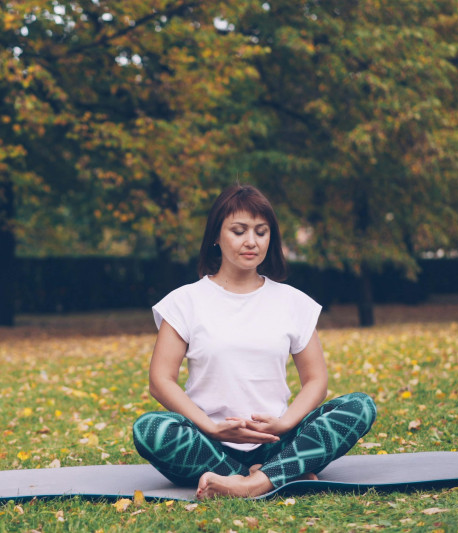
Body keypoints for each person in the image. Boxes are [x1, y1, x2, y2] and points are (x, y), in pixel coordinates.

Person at [133, 184, 377, 499]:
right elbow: (160, 380)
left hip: (278, 442)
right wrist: (211, 427)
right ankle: (282, 473)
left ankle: (252, 483)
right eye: (239, 231)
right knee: (149, 429)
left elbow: (316, 380)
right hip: (209, 442)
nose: (251, 241)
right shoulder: (185, 301)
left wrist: (284, 424)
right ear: (216, 236)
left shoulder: (293, 302)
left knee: (360, 406)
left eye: (261, 232)